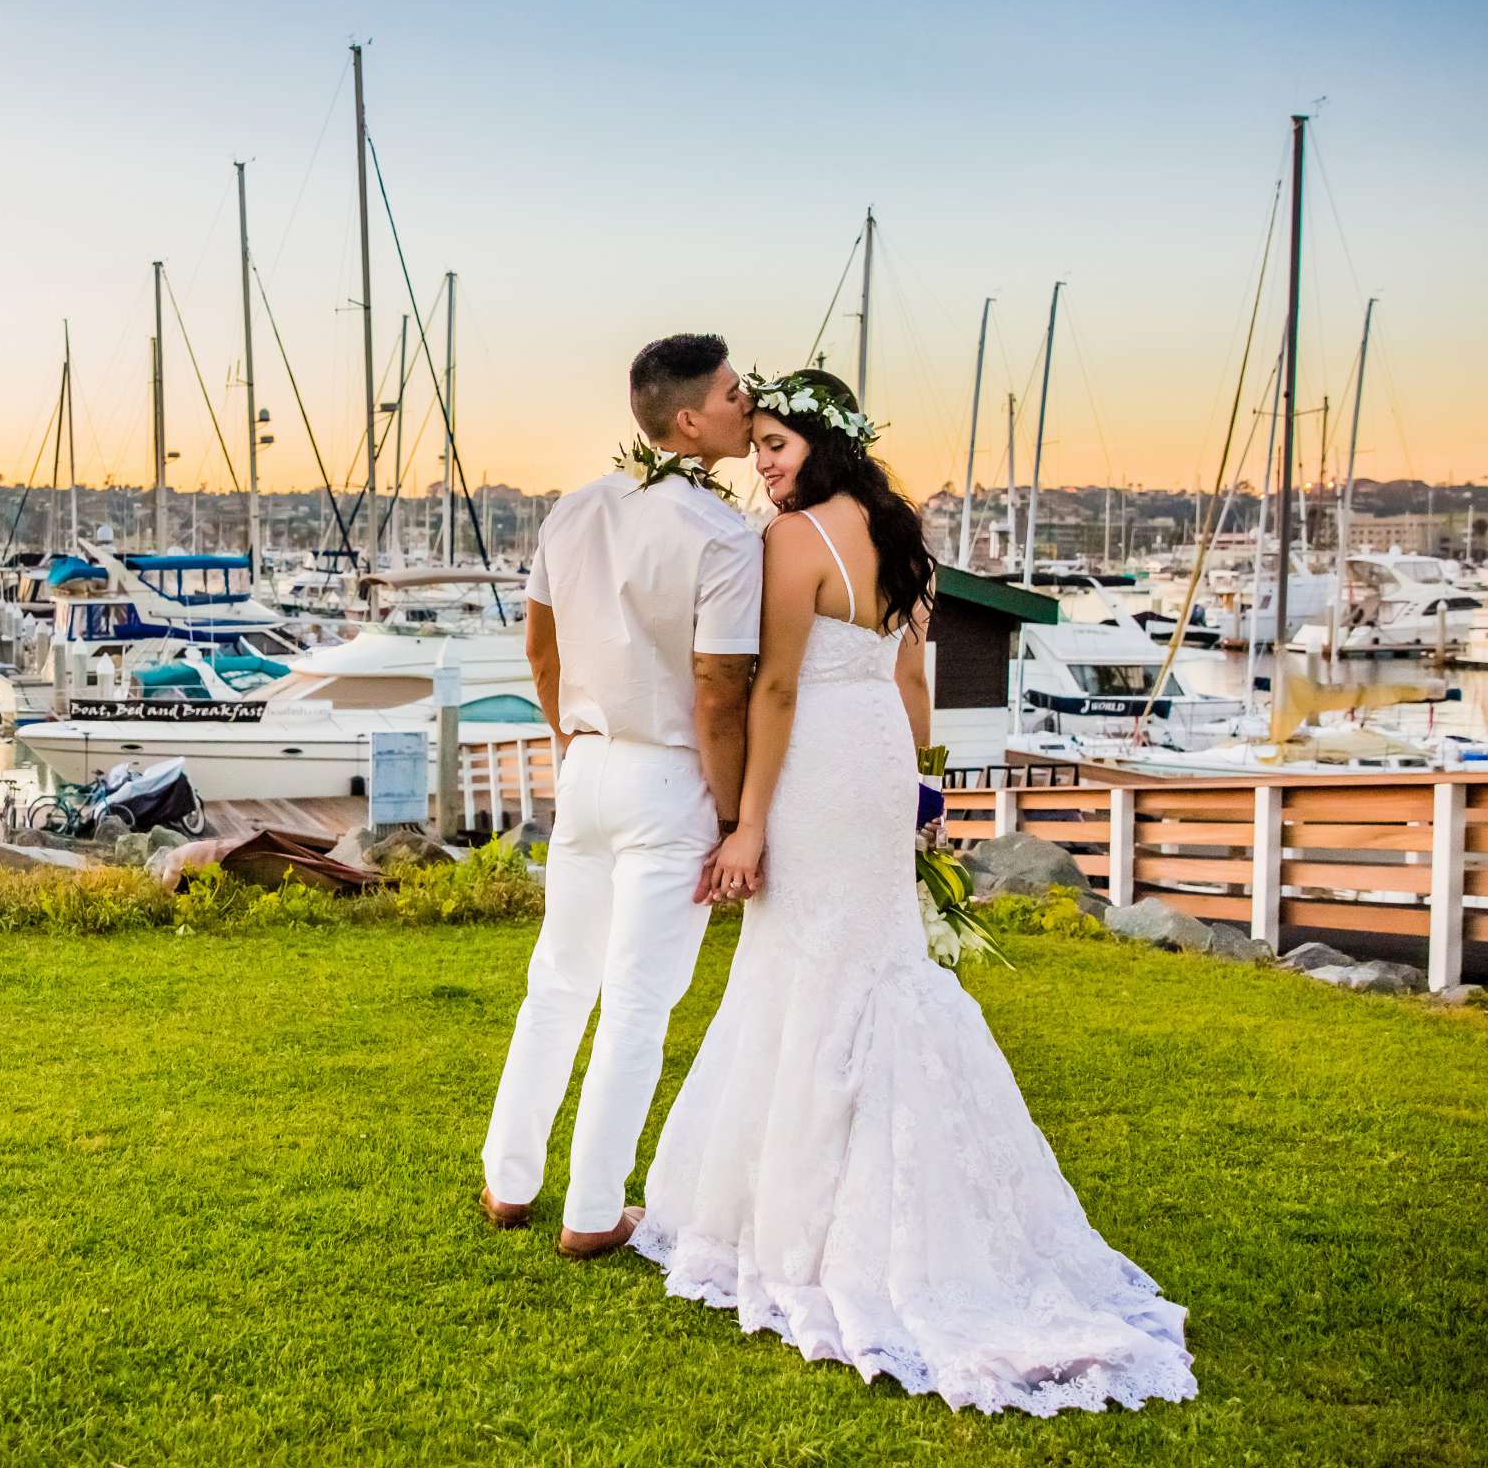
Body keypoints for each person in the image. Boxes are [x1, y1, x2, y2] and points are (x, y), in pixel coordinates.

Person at [632, 369, 1197, 1414]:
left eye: (776, 442)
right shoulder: (904, 543)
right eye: (754, 444)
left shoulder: (789, 543)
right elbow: (909, 684)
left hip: (811, 767)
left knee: (806, 967)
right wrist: (922, 787)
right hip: (881, 766)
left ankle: (795, 1220)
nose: (761, 461)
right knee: (870, 963)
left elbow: (779, 685)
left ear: (825, 441)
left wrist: (747, 821)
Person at [477, 333, 762, 1259]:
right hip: (671, 775)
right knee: (638, 1001)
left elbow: (539, 652)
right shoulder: (722, 536)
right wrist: (729, 817)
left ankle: (508, 1182)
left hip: (589, 768)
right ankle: (593, 1211)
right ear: (687, 421)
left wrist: (571, 743)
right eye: (729, 392)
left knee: (556, 984)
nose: (745, 399)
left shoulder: (572, 511)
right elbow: (720, 687)